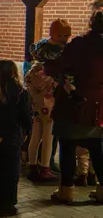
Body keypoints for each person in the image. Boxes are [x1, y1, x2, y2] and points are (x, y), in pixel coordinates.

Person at [46, 9, 103, 204]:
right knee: (97, 149)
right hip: (99, 107)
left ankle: (66, 190)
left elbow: (56, 65)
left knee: (67, 147)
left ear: (91, 23)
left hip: (74, 103)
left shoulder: (79, 44)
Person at [25, 19, 71, 181]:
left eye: (66, 35)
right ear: (53, 34)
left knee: (36, 132)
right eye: (61, 35)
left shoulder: (39, 49)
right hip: (49, 95)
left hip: (36, 97)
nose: (64, 38)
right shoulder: (60, 53)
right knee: (49, 134)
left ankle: (32, 165)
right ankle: (45, 167)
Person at [0, 60, 32, 211]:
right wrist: (27, 131)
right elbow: (26, 116)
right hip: (13, 134)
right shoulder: (21, 91)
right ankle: (9, 198)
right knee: (12, 168)